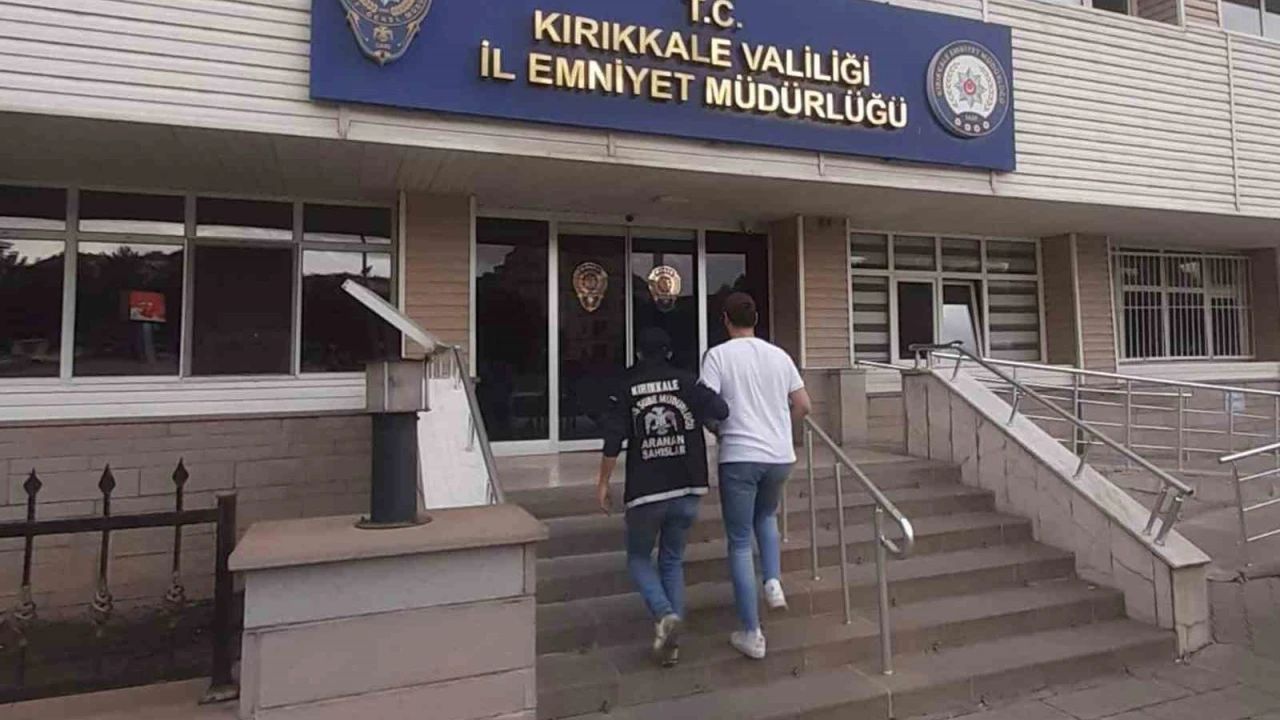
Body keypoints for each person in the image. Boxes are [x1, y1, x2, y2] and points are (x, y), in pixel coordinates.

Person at [596, 327, 729, 668]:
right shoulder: (687, 382)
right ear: (669, 353)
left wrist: (603, 483)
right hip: (688, 487)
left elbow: (613, 439)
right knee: (672, 561)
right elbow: (721, 409)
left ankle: (665, 614)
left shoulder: (627, 386)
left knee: (639, 559)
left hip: (646, 491)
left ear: (639, 353)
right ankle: (672, 643)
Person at [700, 292, 812, 660]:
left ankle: (752, 632)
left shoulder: (718, 356)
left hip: (739, 456)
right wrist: (779, 427)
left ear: (725, 320)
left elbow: (706, 404)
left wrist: (718, 428)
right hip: (779, 456)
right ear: (756, 318)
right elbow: (803, 405)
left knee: (738, 541)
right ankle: (773, 581)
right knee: (766, 516)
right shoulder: (779, 356)